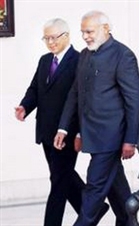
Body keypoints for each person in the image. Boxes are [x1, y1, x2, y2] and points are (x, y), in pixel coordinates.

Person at [53, 11, 139, 226]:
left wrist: (131, 139)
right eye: (83, 32)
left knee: (94, 187)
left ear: (105, 29)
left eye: (89, 31)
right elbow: (76, 94)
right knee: (117, 188)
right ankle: (129, 223)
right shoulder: (85, 55)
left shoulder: (123, 55)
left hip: (112, 137)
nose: (85, 36)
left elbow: (134, 100)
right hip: (92, 135)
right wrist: (66, 129)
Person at [14, 18, 85, 226]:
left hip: (67, 132)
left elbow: (82, 101)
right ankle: (90, 208)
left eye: (54, 37)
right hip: (46, 131)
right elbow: (35, 89)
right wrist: (25, 107)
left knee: (58, 182)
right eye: (47, 38)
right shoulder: (45, 60)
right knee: (62, 175)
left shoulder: (79, 60)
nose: (51, 42)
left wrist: (79, 132)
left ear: (67, 36)